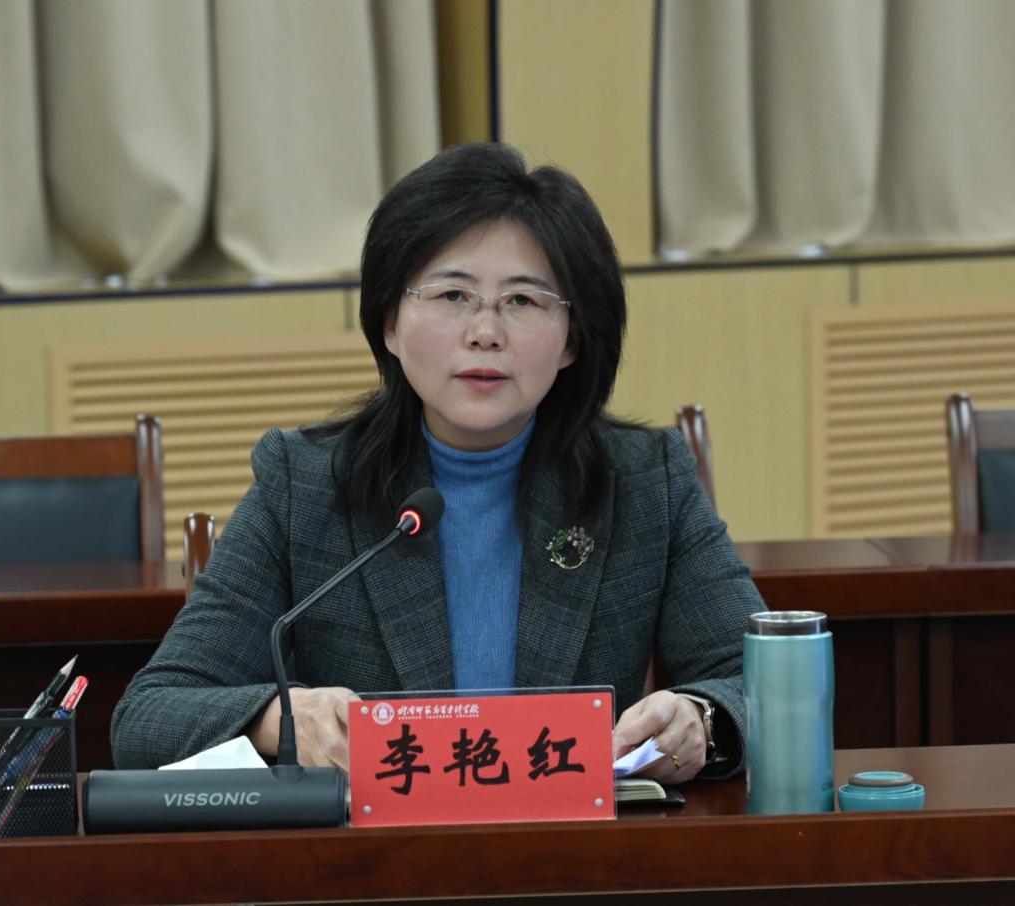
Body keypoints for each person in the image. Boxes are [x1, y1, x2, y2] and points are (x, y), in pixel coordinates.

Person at [111, 142, 766, 784]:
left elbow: (763, 684)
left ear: (572, 338)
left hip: (571, 849)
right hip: (377, 854)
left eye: (524, 301)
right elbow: (148, 718)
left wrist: (702, 719)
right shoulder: (306, 486)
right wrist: (278, 719)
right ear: (390, 323)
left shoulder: (644, 483)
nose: (485, 332)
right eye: (452, 295)